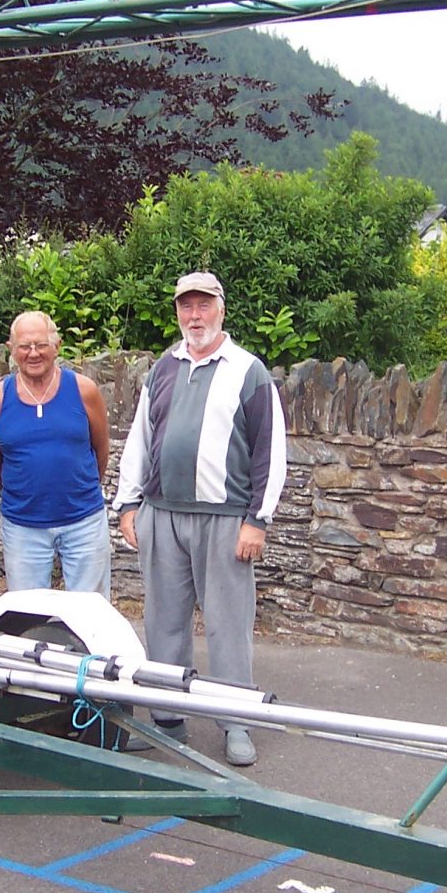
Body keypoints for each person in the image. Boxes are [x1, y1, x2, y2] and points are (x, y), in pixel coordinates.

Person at [113, 272, 287, 767]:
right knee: (164, 623)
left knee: (228, 626)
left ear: (221, 310)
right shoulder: (162, 368)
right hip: (162, 515)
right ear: (177, 313)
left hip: (226, 521)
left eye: (203, 306)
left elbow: (269, 453)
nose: (195, 316)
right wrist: (129, 505)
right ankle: (168, 720)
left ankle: (235, 722)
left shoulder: (249, 371)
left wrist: (258, 519)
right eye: (186, 307)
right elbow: (140, 439)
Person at [0, 311, 112, 598]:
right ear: (11, 350)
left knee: (92, 613)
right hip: (23, 526)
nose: (33, 353)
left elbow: (101, 450)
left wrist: (79, 486)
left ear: (57, 346)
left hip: (84, 522)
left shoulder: (84, 390)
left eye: (41, 344)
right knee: (27, 613)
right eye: (24, 346)